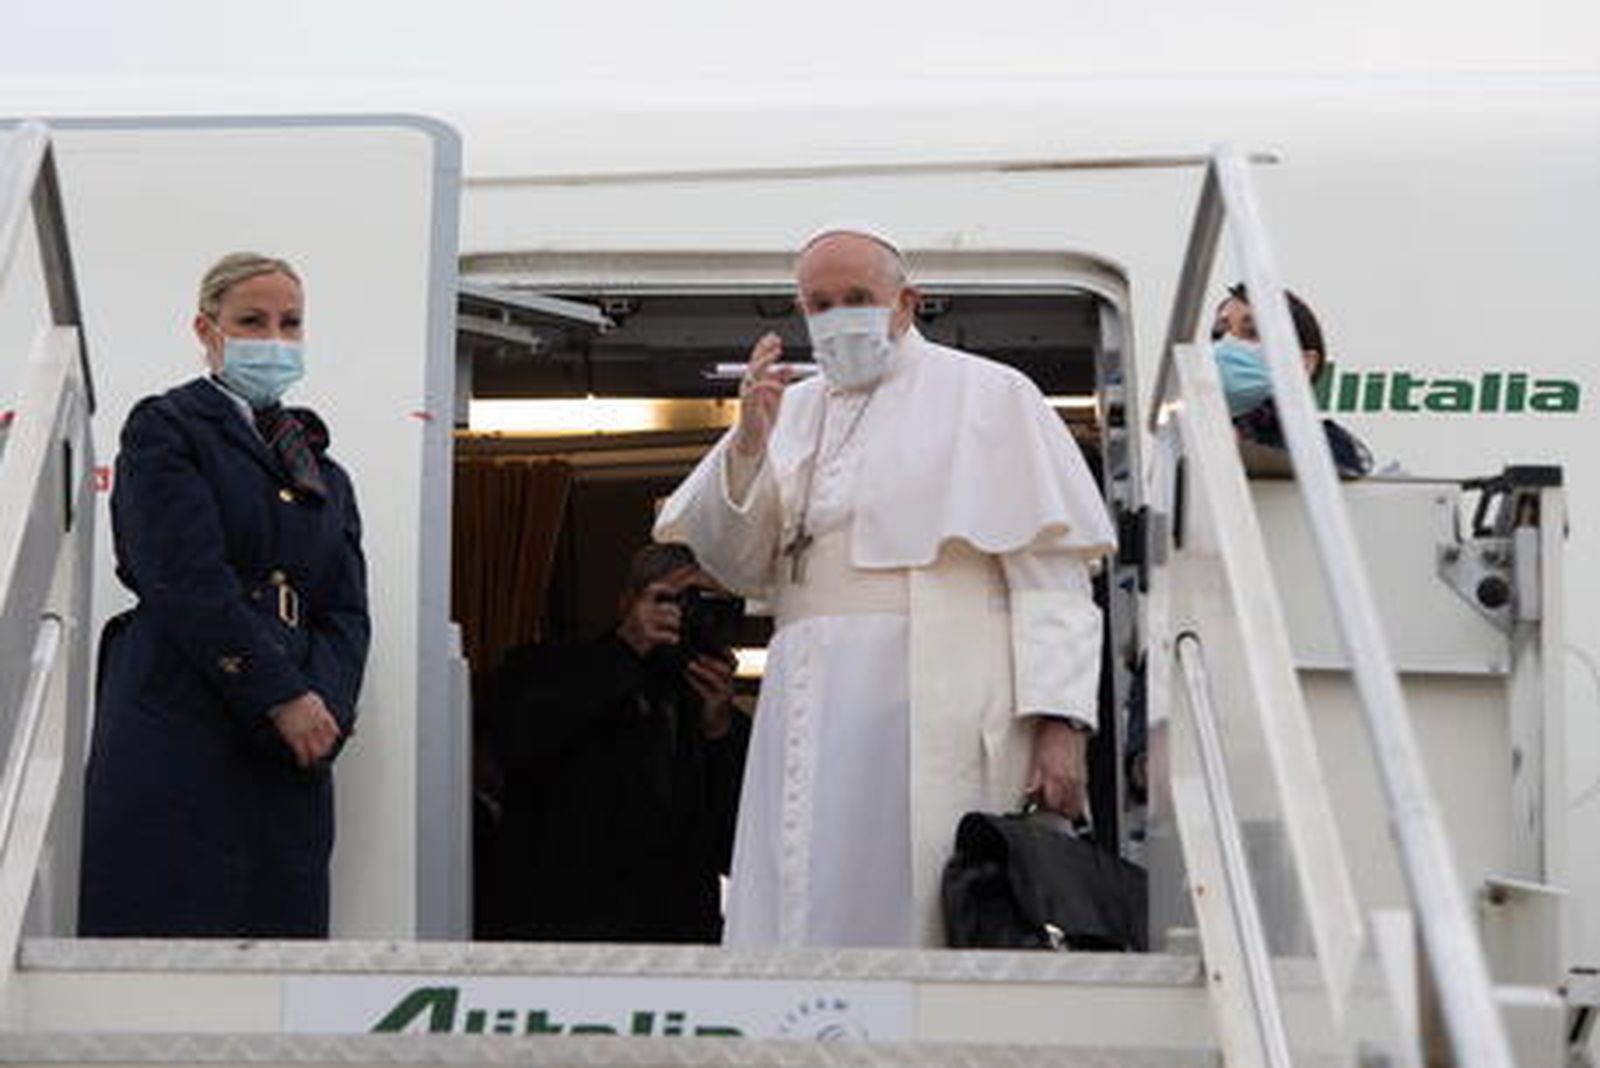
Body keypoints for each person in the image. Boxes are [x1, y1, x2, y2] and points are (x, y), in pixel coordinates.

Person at [654, 224, 1116, 947]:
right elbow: (741, 565)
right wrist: (747, 444)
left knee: (917, 904)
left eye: (857, 297)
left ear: (907, 303)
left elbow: (1052, 580)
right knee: (797, 891)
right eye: (819, 303)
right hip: (803, 692)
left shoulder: (989, 394)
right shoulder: (789, 405)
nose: (839, 315)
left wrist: (1061, 725)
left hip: (932, 688)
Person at [79, 253, 369, 938]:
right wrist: (279, 694)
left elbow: (346, 612)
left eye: (289, 323)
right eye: (251, 321)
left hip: (290, 747)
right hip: (183, 715)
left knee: (278, 951)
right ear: (207, 330)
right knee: (172, 931)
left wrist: (323, 709)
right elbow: (183, 578)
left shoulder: (321, 467)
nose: (273, 338)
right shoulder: (167, 430)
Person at [492, 543, 750, 943]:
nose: (688, 615)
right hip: (566, 939)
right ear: (629, 602)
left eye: (706, 604)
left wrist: (719, 735)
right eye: (674, 599)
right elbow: (518, 738)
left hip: (679, 945)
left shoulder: (716, 717)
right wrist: (626, 649)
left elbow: (741, 851)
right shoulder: (551, 667)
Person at [1211, 283, 1373, 478]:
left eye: (1253, 332)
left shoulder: (1329, 446)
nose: (1227, 344)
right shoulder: (1187, 437)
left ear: (1304, 366)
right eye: (1218, 334)